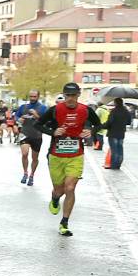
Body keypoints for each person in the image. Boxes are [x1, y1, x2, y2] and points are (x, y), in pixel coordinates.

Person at [34, 81, 100, 238]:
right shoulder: (55, 110)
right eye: (67, 95)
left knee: (70, 188)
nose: (70, 98)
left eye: (73, 95)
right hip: (56, 156)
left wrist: (90, 131)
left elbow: (99, 124)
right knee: (59, 190)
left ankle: (64, 223)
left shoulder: (86, 110)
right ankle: (55, 198)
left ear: (78, 95)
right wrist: (53, 132)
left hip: (76, 155)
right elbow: (38, 124)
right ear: (64, 95)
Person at [15, 90, 49, 186]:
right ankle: (25, 173)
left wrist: (36, 115)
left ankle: (32, 175)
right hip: (24, 133)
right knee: (24, 154)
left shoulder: (43, 108)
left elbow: (46, 121)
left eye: (34, 96)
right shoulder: (23, 107)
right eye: (31, 96)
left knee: (35, 158)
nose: (32, 98)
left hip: (36, 135)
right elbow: (16, 116)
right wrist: (19, 119)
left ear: (38, 96)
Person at [105, 97, 132, 170]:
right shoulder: (126, 111)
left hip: (113, 132)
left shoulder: (114, 111)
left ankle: (114, 165)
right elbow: (129, 122)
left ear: (115, 103)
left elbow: (109, 122)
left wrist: (104, 126)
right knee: (120, 149)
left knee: (114, 150)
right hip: (121, 132)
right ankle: (118, 164)